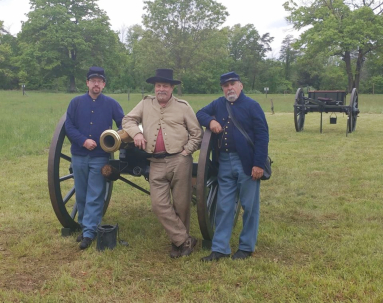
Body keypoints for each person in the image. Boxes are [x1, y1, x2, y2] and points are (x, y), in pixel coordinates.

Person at [122, 68, 203, 258]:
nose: (161, 89)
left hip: (179, 160)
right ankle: (184, 239)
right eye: (158, 85)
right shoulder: (145, 104)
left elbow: (197, 133)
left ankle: (178, 244)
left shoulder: (183, 106)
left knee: (181, 204)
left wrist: (187, 151)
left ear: (172, 88)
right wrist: (138, 133)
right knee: (159, 205)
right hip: (155, 162)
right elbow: (128, 120)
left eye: (165, 85)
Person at [196, 71, 269, 261]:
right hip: (224, 162)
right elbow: (200, 113)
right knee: (224, 206)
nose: (229, 88)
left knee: (249, 206)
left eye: (233, 84)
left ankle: (246, 247)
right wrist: (211, 121)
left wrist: (258, 164)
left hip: (247, 163)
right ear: (222, 88)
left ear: (241, 85)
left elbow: (262, 136)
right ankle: (220, 248)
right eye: (226, 85)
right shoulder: (219, 104)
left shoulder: (252, 106)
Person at [65, 66, 125, 250]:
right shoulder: (75, 103)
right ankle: (85, 227)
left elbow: (123, 123)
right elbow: (69, 126)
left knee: (95, 194)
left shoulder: (111, 104)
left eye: (100, 81)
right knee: (81, 193)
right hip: (79, 155)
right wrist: (83, 141)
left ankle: (90, 232)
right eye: (93, 80)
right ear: (87, 83)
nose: (96, 84)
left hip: (100, 156)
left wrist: (118, 137)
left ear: (104, 84)